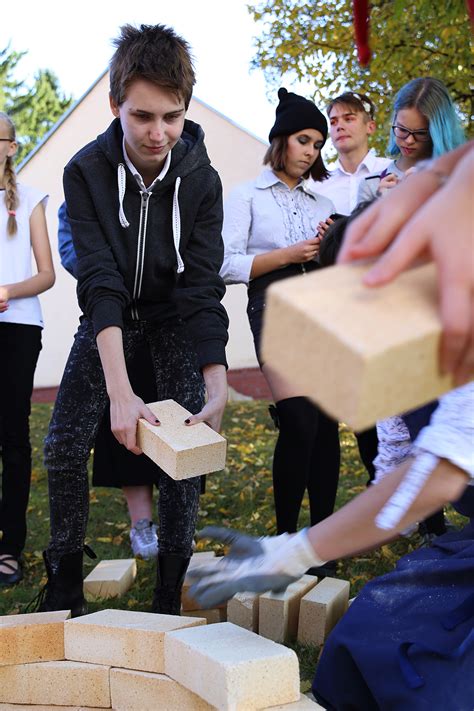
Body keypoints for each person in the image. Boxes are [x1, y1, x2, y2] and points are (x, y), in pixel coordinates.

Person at [188, 143, 474, 709]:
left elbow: (436, 479)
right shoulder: (405, 365)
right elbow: (397, 498)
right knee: (367, 637)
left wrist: (289, 553)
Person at [38, 23, 228, 617]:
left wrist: (217, 379)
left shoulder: (201, 179)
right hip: (109, 315)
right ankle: (66, 582)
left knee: (184, 450)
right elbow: (100, 282)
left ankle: (170, 591)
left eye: (171, 117)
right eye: (142, 116)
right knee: (64, 444)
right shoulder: (85, 171)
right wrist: (120, 392)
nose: (158, 133)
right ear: (115, 103)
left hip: (172, 319)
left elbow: (201, 287)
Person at [220, 87, 340, 574]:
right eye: (304, 140)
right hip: (271, 303)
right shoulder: (245, 195)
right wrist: (289, 255)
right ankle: (287, 539)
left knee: (326, 426)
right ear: (281, 140)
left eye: (317, 144)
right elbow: (224, 265)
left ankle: (323, 544)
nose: (311, 151)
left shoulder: (323, 200)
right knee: (298, 422)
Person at [58, 201, 159, 560]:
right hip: (111, 319)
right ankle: (142, 523)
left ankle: (179, 524)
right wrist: (117, 274)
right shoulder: (84, 185)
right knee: (126, 429)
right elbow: (74, 255)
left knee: (178, 419)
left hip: (166, 320)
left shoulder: (173, 183)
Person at [316, 90, 391, 486]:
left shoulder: (391, 171)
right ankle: (381, 487)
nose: (339, 125)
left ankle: (431, 516)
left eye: (348, 117)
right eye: (334, 120)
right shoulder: (320, 186)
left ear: (370, 125)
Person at [0, 112, 55, 585]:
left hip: (17, 327)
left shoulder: (31, 200)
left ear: (11, 147)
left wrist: (7, 292)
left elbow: (46, 274)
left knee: (12, 438)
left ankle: (9, 547)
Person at [357, 77, 465, 204]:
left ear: (438, 132)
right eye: (402, 129)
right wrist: (380, 206)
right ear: (394, 121)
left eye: (420, 133)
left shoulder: (460, 179)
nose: (409, 140)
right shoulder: (371, 185)